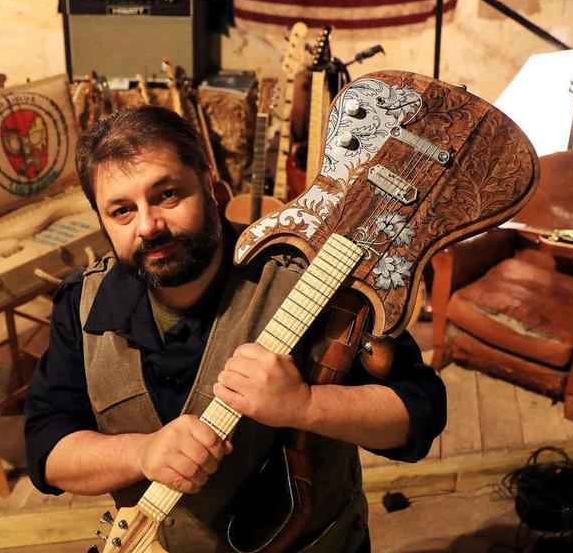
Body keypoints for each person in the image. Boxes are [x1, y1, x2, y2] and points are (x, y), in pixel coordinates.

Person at [24, 105, 446, 552]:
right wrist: (142, 453)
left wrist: (305, 405)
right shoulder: (82, 304)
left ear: (209, 183)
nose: (148, 226)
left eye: (167, 194)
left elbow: (420, 411)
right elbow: (48, 449)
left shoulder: (310, 279)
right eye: (122, 211)